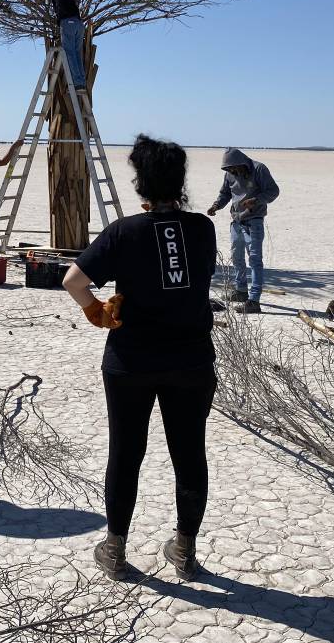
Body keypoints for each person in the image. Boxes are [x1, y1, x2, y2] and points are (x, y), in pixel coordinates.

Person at [62, 134, 218, 582]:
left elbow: (73, 280)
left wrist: (96, 309)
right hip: (191, 361)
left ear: (141, 184)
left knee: (126, 453)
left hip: (131, 362)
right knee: (189, 455)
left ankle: (114, 550)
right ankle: (184, 551)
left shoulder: (124, 231)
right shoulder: (202, 228)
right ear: (179, 182)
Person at [207, 148, 280, 313]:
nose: (232, 172)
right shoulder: (229, 174)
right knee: (236, 257)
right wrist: (216, 205)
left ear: (240, 162)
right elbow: (225, 193)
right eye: (229, 170)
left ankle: (254, 300)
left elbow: (273, 191)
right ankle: (240, 291)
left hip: (253, 221)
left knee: (255, 260)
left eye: (233, 168)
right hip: (236, 222)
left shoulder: (259, 169)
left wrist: (256, 201)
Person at [37, 0, 87, 90]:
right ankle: (82, 82)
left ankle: (77, 83)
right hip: (79, 24)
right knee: (77, 53)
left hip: (68, 23)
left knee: (69, 52)